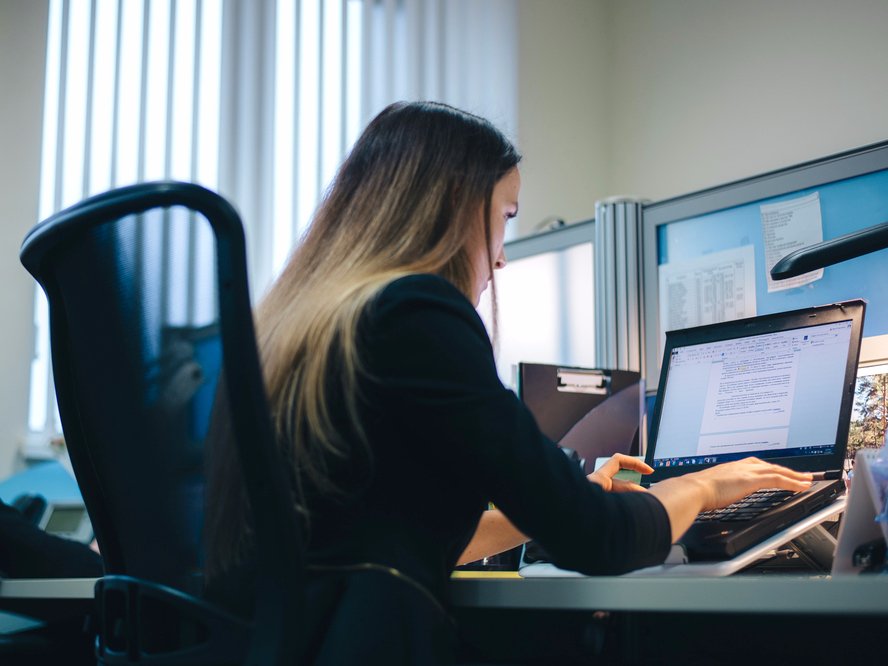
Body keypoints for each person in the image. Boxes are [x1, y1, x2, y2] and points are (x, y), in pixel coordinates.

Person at [204, 101, 813, 663]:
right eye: (504, 218)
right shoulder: (414, 313)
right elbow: (600, 543)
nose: (500, 257)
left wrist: (557, 506)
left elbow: (381, 544)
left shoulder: (291, 329)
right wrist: (706, 488)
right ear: (449, 206)